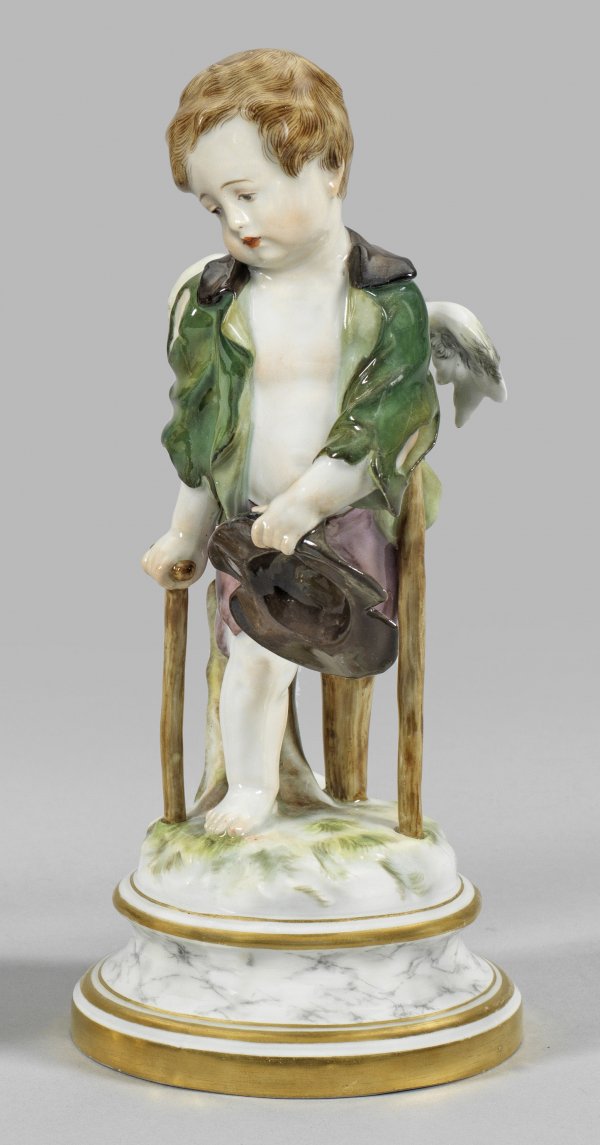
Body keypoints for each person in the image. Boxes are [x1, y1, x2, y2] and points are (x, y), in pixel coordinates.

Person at [142, 49, 439, 836]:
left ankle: (340, 785)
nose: (235, 223)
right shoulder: (216, 302)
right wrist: (185, 532)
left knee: (330, 636)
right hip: (251, 532)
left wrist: (309, 500)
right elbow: (202, 431)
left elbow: (389, 419)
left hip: (344, 527)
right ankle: (252, 787)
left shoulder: (385, 299)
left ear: (330, 168)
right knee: (252, 658)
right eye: (215, 206)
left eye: (248, 193)